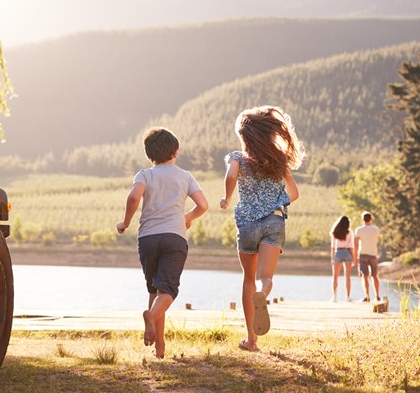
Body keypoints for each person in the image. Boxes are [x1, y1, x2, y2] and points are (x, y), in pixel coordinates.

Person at [117, 127, 208, 359]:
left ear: (149, 155)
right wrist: (188, 217)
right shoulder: (185, 176)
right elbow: (203, 205)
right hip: (174, 238)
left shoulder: (144, 175)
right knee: (167, 291)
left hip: (147, 238)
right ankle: (150, 317)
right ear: (175, 151)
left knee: (155, 290)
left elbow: (133, 197)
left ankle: (159, 345)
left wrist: (125, 222)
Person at [219, 106, 304, 352]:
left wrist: (226, 198)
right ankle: (263, 295)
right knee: (264, 278)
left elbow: (231, 176)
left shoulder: (237, 158)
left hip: (247, 224)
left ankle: (251, 340)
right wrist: (278, 203)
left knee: (248, 279)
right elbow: (295, 193)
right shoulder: (278, 160)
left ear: (244, 137)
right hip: (274, 222)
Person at [355, 211, 381, 302]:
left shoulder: (359, 230)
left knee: (364, 276)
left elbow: (356, 244)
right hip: (373, 254)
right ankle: (377, 295)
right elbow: (377, 240)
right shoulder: (376, 229)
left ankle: (367, 296)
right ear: (371, 219)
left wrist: (355, 256)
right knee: (375, 275)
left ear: (362, 219)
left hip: (363, 254)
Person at [330, 215, 356, 302]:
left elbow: (333, 247)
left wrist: (332, 258)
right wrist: (354, 258)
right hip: (347, 252)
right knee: (348, 277)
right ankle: (348, 297)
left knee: (335, 277)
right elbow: (352, 246)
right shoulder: (350, 232)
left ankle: (334, 297)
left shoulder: (334, 232)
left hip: (338, 252)